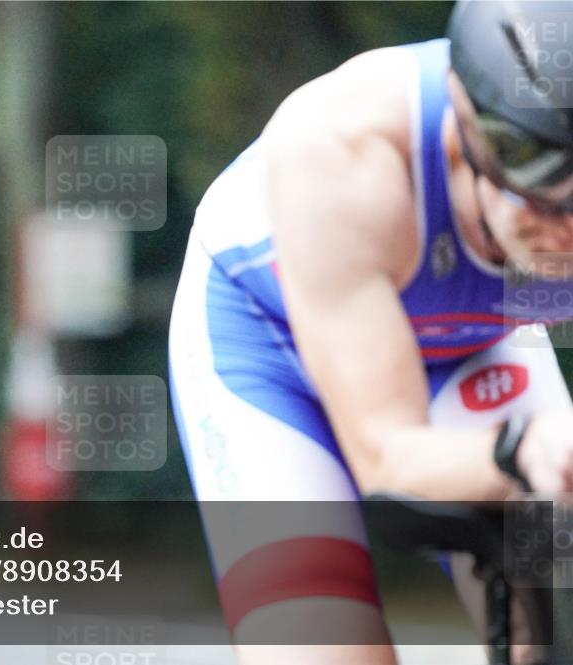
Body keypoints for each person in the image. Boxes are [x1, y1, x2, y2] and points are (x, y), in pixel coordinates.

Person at [168, 1, 573, 663]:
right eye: (540, 185)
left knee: (558, 614)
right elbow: (386, 455)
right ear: (469, 130)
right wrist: (520, 452)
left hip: (475, 340)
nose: (566, 231)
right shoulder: (345, 146)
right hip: (266, 340)